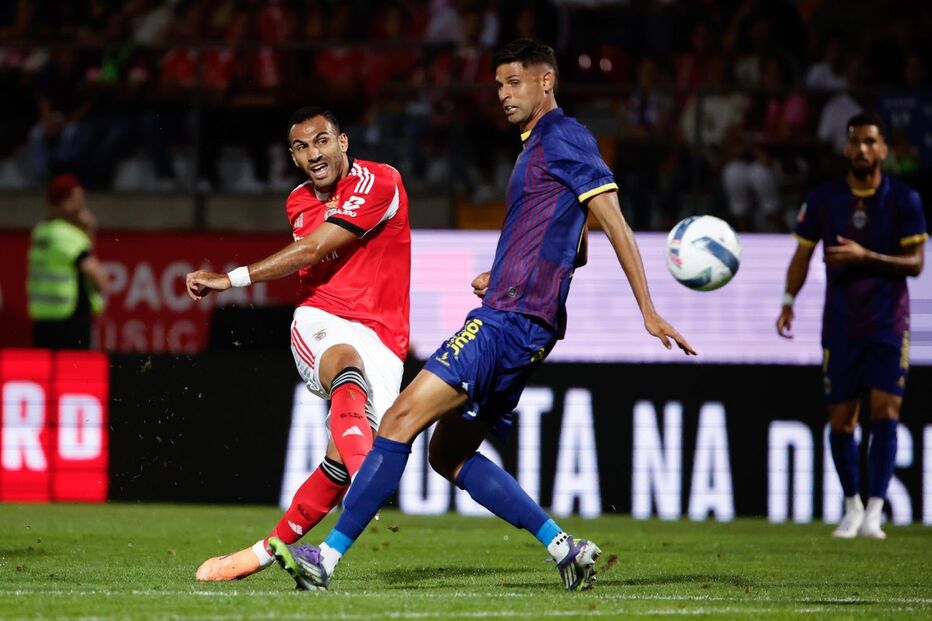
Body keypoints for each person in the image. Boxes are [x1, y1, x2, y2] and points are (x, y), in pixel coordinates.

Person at [267, 38, 695, 593]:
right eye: (498, 85)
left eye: (514, 82)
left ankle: (325, 557)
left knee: (396, 421)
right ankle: (566, 549)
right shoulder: (537, 148)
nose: (504, 94)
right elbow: (577, 242)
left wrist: (648, 309)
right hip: (530, 326)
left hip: (506, 323)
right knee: (448, 453)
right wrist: (510, 269)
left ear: (547, 81)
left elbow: (612, 221)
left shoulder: (562, 136)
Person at [186, 106, 411, 581]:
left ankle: (261, 554)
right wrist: (234, 280)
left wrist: (231, 278)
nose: (314, 154)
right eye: (302, 147)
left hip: (385, 339)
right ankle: (368, 483)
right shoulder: (297, 202)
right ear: (292, 156)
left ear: (343, 142)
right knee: (344, 368)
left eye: (322, 141)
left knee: (336, 465)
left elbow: (312, 248)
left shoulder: (381, 181)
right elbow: (311, 256)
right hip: (322, 319)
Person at [776, 112, 927, 539]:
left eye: (870, 141)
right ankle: (851, 505)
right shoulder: (825, 199)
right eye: (855, 141)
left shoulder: (904, 200)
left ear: (883, 149)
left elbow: (916, 264)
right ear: (846, 148)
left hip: (887, 323)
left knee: (886, 412)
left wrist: (867, 257)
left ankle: (876, 510)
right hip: (840, 323)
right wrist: (788, 302)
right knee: (841, 421)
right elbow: (802, 256)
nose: (862, 149)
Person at [28, 173, 108, 349]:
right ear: (65, 201)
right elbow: (100, 280)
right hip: (71, 324)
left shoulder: (41, 231)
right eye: (77, 200)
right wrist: (89, 233)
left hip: (42, 323)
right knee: (76, 376)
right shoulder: (67, 236)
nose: (81, 207)